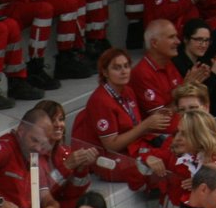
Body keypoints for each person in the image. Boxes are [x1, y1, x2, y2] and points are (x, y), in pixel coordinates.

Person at [69, 47, 170, 189]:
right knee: (155, 169)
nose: (123, 71)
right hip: (106, 159)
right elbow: (111, 145)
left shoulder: (127, 90)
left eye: (126, 66)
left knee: (172, 154)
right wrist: (145, 126)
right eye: (117, 68)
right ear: (105, 72)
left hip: (131, 149)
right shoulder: (101, 100)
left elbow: (134, 128)